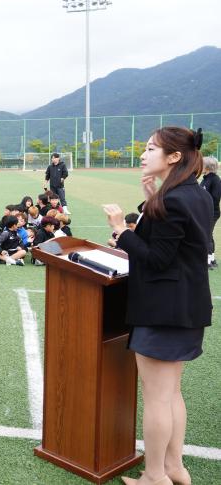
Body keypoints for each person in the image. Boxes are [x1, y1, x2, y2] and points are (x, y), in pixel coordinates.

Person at [103, 126, 212, 485]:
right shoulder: (193, 194)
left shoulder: (176, 199)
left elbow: (157, 258)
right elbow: (176, 244)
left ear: (174, 157)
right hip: (185, 307)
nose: (143, 155)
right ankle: (174, 468)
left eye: (151, 149)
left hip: (163, 310)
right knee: (171, 394)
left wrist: (122, 229)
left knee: (156, 399)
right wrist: (150, 199)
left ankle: (154, 476)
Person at [200, 156, 221, 268]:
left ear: (207, 167)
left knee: (206, 235)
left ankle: (207, 261)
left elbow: (215, 198)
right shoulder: (205, 179)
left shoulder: (215, 180)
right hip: (205, 211)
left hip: (212, 212)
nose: (201, 167)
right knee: (209, 234)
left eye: (202, 165)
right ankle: (211, 259)